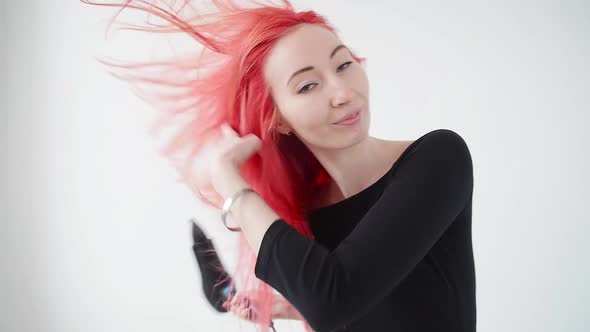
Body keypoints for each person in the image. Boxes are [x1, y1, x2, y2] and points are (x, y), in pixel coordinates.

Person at [82, 1, 476, 331]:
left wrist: (231, 186)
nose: (342, 93)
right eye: (307, 85)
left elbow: (333, 298)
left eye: (343, 65)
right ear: (279, 118)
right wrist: (294, 308)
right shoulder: (312, 211)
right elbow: (347, 301)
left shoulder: (439, 158)